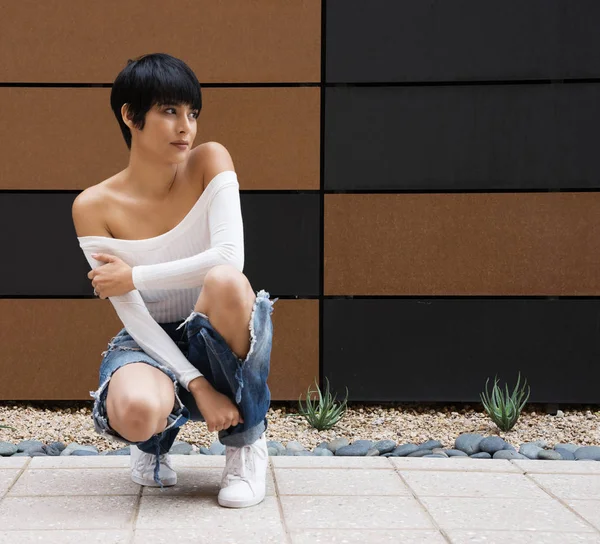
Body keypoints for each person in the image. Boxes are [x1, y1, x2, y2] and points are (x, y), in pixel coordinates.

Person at [71, 53, 277, 508]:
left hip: (214, 327)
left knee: (225, 281)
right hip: (147, 338)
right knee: (137, 411)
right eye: (169, 111)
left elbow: (229, 257)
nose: (186, 127)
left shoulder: (210, 161)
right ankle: (151, 443)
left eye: (192, 113)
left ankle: (245, 447)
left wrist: (134, 274)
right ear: (130, 116)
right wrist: (199, 387)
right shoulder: (94, 206)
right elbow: (133, 312)